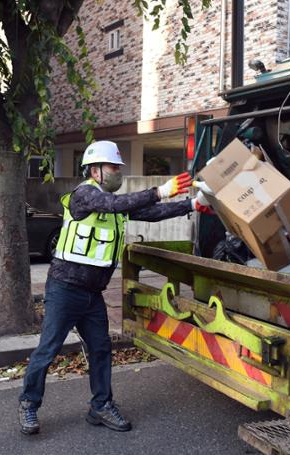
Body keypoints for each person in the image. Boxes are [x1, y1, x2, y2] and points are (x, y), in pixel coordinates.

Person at [18, 140, 212, 435]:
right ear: (94, 170)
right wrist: (159, 191)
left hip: (92, 293)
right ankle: (29, 404)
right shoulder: (84, 195)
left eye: (118, 167)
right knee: (49, 349)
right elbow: (113, 204)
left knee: (100, 349)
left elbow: (149, 213)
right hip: (65, 288)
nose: (117, 172)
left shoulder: (114, 204)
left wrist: (190, 204)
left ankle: (100, 406)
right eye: (113, 167)